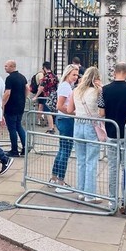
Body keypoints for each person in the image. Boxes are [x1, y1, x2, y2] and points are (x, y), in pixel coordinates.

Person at [98, 63, 126, 213]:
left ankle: (112, 201)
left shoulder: (104, 90)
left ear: (114, 72)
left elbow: (101, 113)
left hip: (112, 134)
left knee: (112, 168)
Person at [67, 67, 103, 204]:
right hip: (91, 126)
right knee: (91, 160)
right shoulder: (98, 91)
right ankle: (90, 195)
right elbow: (101, 112)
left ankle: (81, 192)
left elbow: (70, 110)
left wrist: (80, 113)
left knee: (81, 160)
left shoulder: (76, 90)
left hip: (78, 125)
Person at [49, 64, 79, 193]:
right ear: (67, 74)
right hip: (66, 120)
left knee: (62, 149)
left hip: (64, 119)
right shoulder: (65, 87)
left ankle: (54, 177)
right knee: (65, 150)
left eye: (77, 75)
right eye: (73, 74)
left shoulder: (67, 86)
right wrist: (73, 113)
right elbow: (60, 106)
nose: (76, 77)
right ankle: (60, 181)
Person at [2, 60, 28, 157]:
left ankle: (14, 150)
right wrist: (23, 99)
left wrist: (2, 102)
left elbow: (7, 92)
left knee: (12, 128)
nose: (5, 68)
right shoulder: (22, 77)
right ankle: (25, 147)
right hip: (20, 105)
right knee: (18, 126)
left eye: (7, 66)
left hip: (11, 106)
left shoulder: (10, 78)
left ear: (12, 66)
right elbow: (27, 89)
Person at [32, 61, 58, 133]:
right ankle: (51, 127)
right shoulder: (55, 76)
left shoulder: (46, 77)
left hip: (47, 96)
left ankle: (51, 128)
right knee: (51, 111)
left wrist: (36, 96)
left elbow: (41, 87)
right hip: (54, 95)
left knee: (47, 112)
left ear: (44, 68)